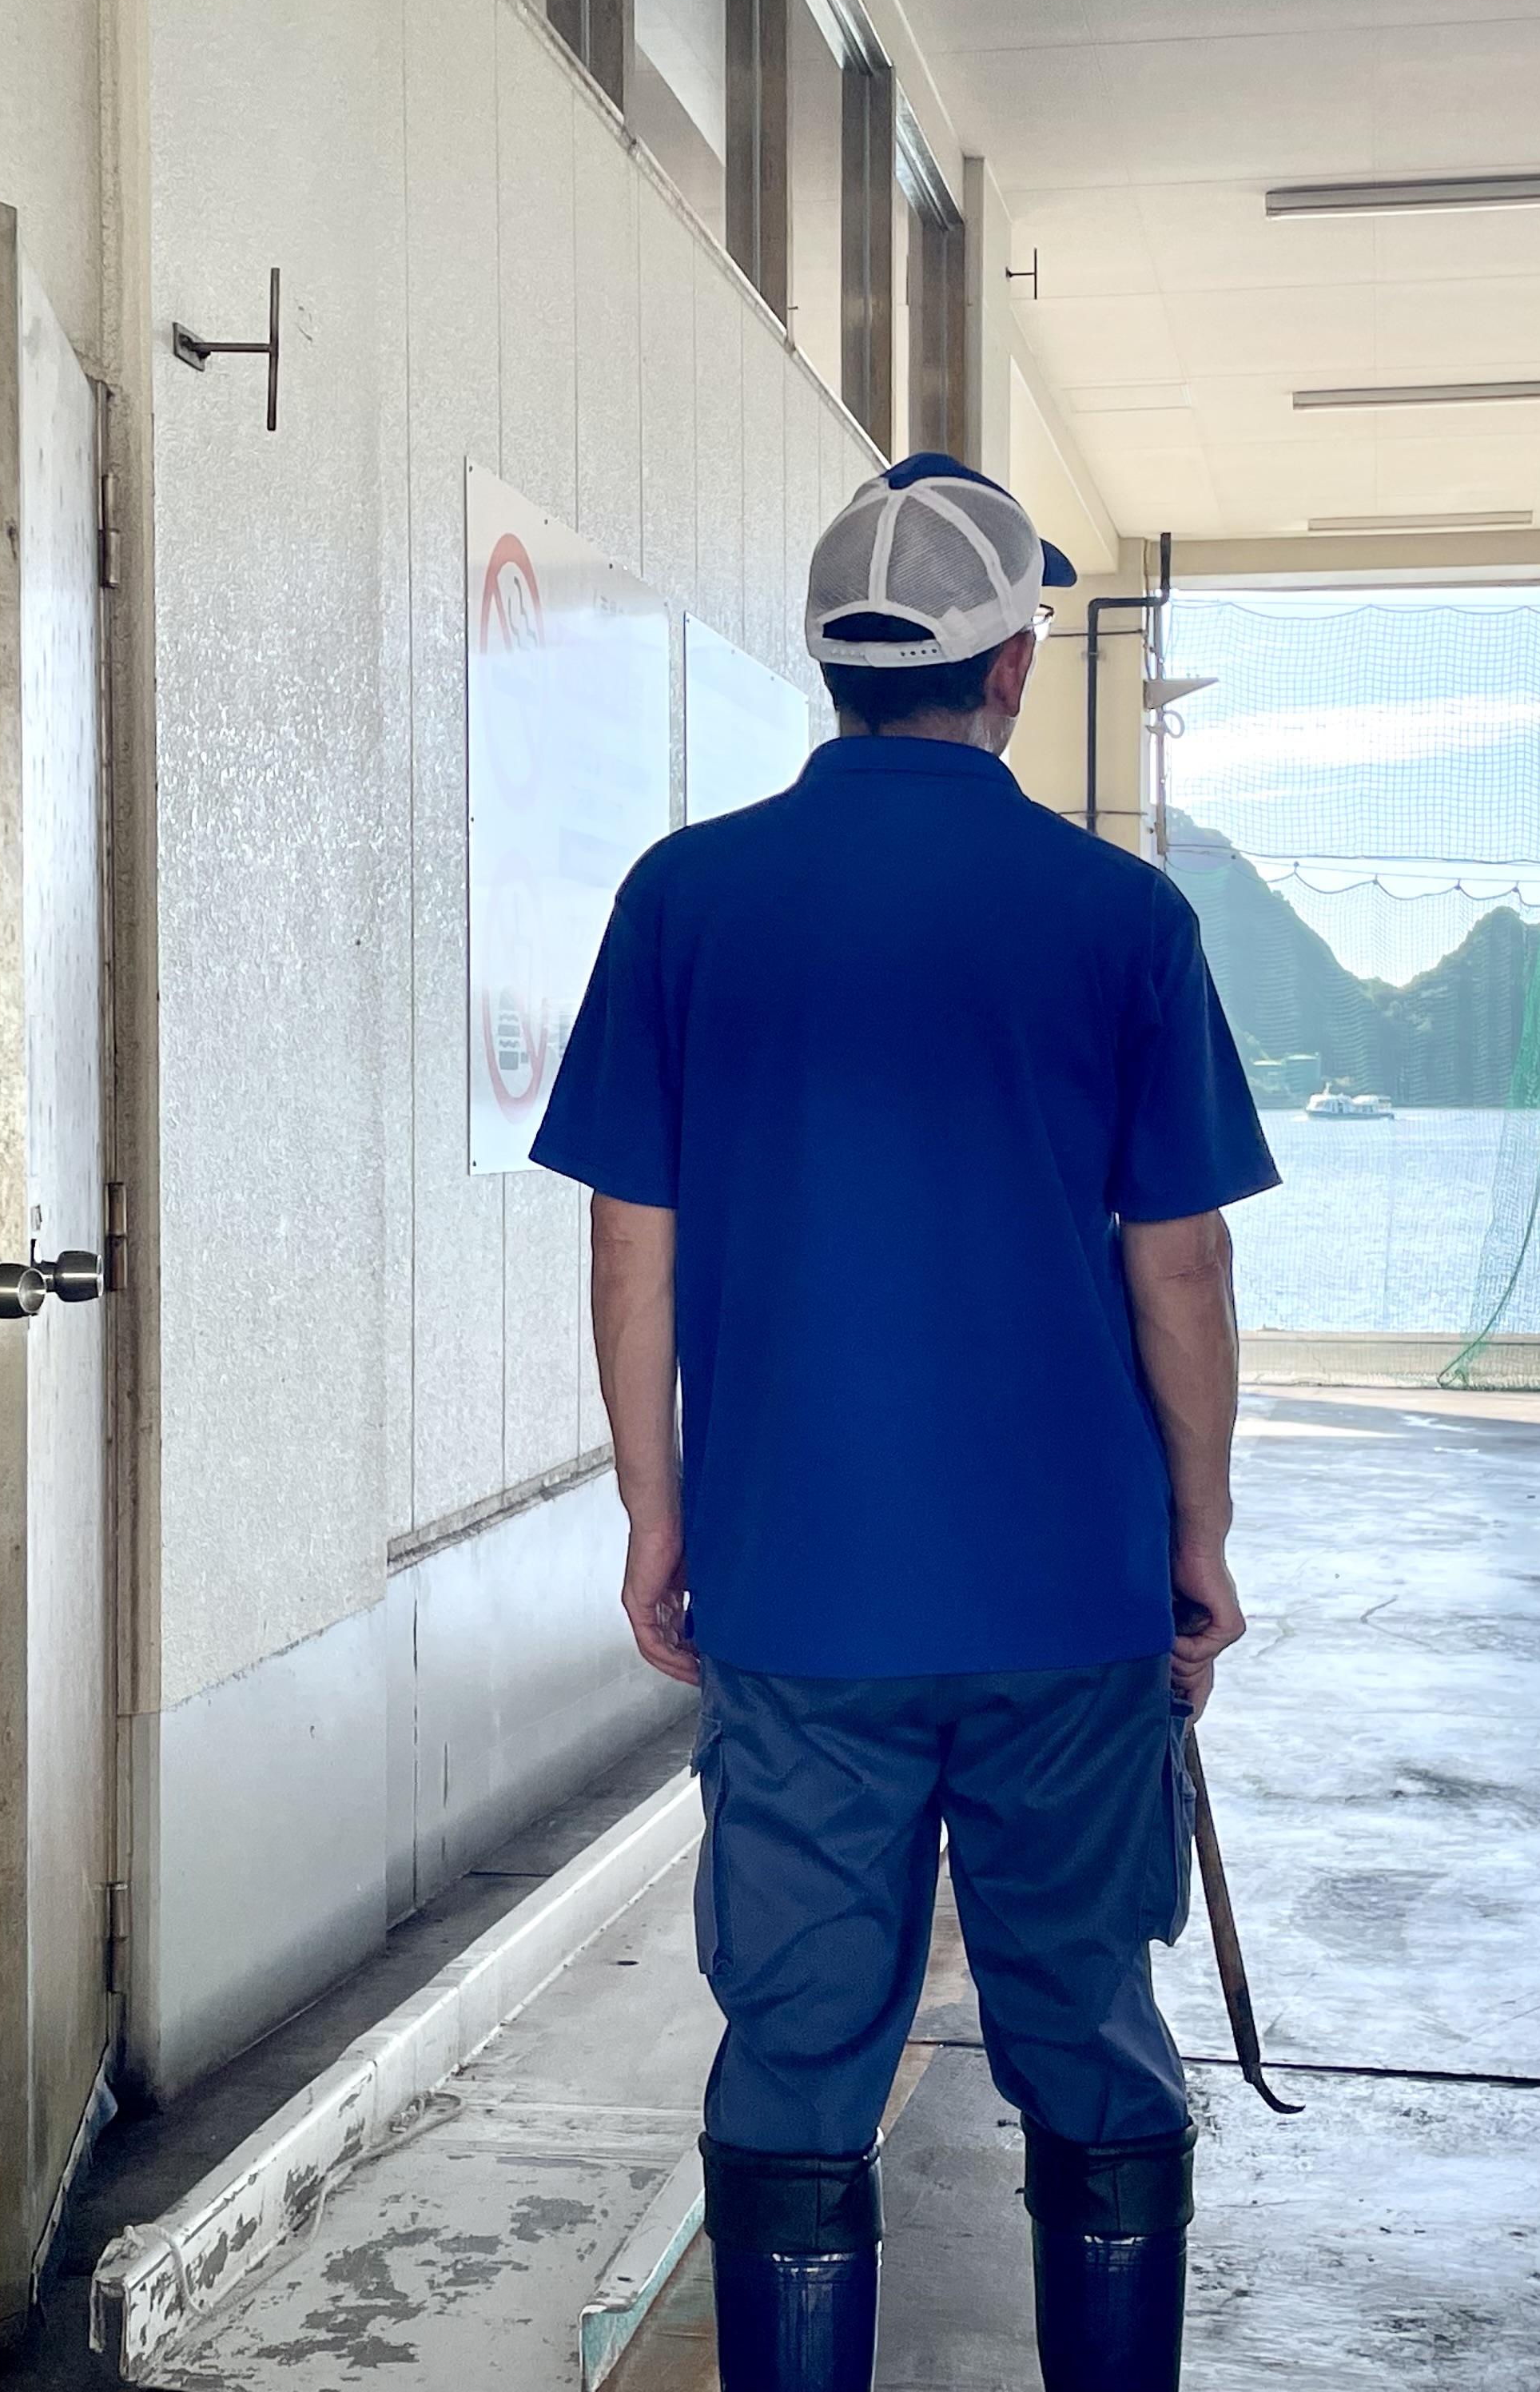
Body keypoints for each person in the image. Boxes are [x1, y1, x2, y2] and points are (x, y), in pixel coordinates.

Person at [530, 454, 1278, 2392]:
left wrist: (654, 1513)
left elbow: (637, 1247)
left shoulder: (688, 899)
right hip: (1068, 1601)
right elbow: (1177, 1268)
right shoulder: (1121, 919)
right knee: (1089, 2040)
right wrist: (1194, 1537)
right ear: (1013, 665)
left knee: (795, 2053)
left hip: (799, 1599)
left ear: (828, 663)